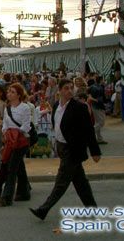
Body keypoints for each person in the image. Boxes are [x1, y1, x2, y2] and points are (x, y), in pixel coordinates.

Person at [29, 79, 101, 220]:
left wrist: (95, 151)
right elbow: (57, 126)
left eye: (71, 88)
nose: (69, 91)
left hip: (73, 149)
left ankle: (43, 210)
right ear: (60, 91)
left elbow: (88, 130)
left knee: (61, 182)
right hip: (62, 147)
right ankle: (93, 210)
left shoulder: (79, 107)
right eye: (66, 88)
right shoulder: (56, 106)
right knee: (81, 183)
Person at [0, 83, 32, 206]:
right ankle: (25, 192)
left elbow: (27, 125)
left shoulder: (25, 108)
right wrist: (6, 132)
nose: (9, 94)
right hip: (11, 141)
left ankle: (6, 197)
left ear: (19, 95)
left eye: (12, 92)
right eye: (9, 91)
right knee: (19, 167)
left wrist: (16, 133)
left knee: (12, 168)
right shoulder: (7, 108)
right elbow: (5, 124)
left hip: (21, 142)